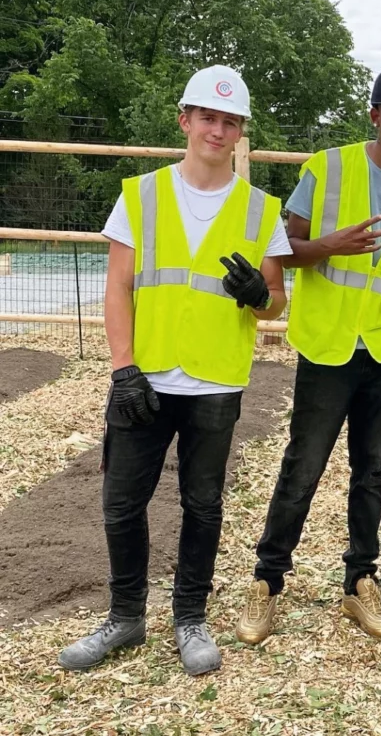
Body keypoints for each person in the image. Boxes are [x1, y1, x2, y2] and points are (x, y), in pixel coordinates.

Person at [58, 65, 290, 676]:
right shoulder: (141, 194)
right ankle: (125, 617)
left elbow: (277, 300)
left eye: (230, 121)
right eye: (207, 117)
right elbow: (118, 288)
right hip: (147, 377)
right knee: (120, 503)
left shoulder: (261, 208)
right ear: (185, 120)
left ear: (240, 133)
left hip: (215, 378)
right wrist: (122, 368)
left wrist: (257, 295)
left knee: (203, 503)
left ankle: (190, 618)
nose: (217, 130)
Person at [235, 65, 381, 644]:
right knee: (303, 467)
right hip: (327, 343)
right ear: (375, 116)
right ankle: (266, 583)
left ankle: (360, 582)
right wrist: (328, 246)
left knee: (373, 474)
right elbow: (280, 251)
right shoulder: (327, 167)